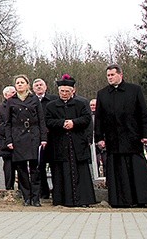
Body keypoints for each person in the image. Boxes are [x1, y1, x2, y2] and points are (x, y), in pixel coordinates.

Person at [94, 63, 147, 208]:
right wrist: (99, 138)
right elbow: (99, 118)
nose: (110, 78)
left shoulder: (134, 90)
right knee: (117, 170)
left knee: (136, 169)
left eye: (112, 75)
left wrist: (146, 134)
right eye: (108, 75)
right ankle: (120, 200)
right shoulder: (102, 94)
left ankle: (141, 199)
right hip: (113, 139)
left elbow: (143, 113)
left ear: (120, 75)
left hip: (132, 137)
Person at [45, 74, 96, 207]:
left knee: (81, 172)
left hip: (77, 142)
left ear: (73, 91)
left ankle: (83, 200)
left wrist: (74, 123)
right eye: (62, 91)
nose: (64, 94)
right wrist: (62, 123)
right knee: (61, 172)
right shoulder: (51, 106)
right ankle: (63, 200)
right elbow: (48, 121)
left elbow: (86, 119)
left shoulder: (80, 104)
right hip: (60, 143)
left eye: (67, 91)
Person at [6, 75, 46, 206]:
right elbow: (7, 123)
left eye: (22, 82)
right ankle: (26, 197)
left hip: (33, 135)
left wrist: (43, 138)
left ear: (27, 85)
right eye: (17, 83)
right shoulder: (11, 101)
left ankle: (36, 197)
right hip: (18, 137)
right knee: (21, 169)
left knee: (35, 168)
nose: (20, 85)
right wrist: (9, 140)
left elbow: (41, 120)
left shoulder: (34, 99)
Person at [32, 78, 58, 199]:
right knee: (39, 166)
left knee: (54, 164)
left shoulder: (53, 99)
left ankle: (57, 190)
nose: (38, 87)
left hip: (52, 137)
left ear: (46, 87)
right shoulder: (30, 101)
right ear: (33, 88)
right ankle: (43, 192)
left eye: (41, 85)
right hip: (37, 139)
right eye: (36, 85)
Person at [0, 85, 17, 190]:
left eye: (14, 92)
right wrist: (12, 134)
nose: (14, 94)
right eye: (12, 92)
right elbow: (0, 126)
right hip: (6, 143)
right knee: (9, 167)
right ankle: (9, 188)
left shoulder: (20, 105)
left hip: (20, 142)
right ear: (5, 95)